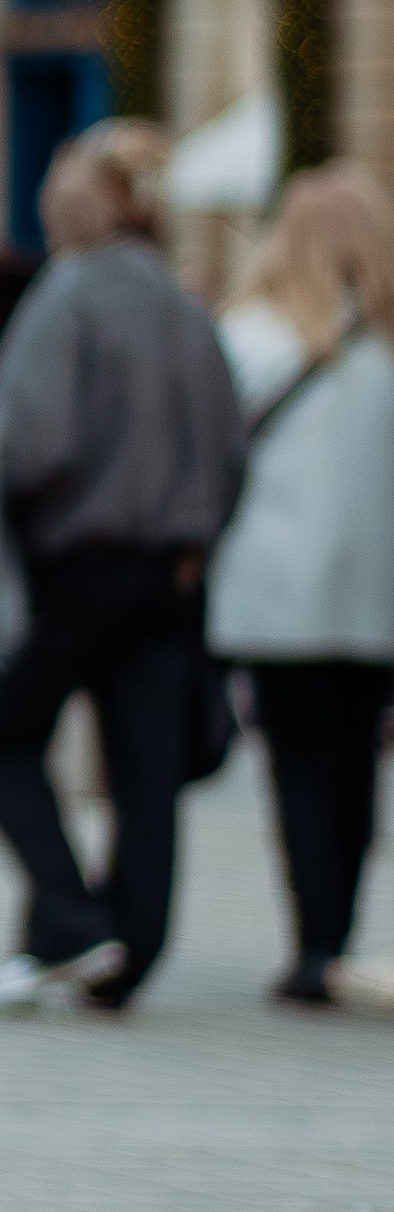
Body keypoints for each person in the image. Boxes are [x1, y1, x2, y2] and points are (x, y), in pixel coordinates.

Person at [0, 121, 245, 1012]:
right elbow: (230, 445)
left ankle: (73, 919)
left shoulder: (70, 295)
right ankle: (125, 950)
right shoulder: (184, 305)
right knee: (143, 767)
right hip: (173, 570)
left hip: (78, 561)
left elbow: (33, 440)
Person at [208, 162, 394, 1006]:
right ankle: (339, 931)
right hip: (376, 594)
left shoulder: (251, 336)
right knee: (358, 766)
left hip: (278, 591)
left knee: (300, 769)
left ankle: (313, 939)